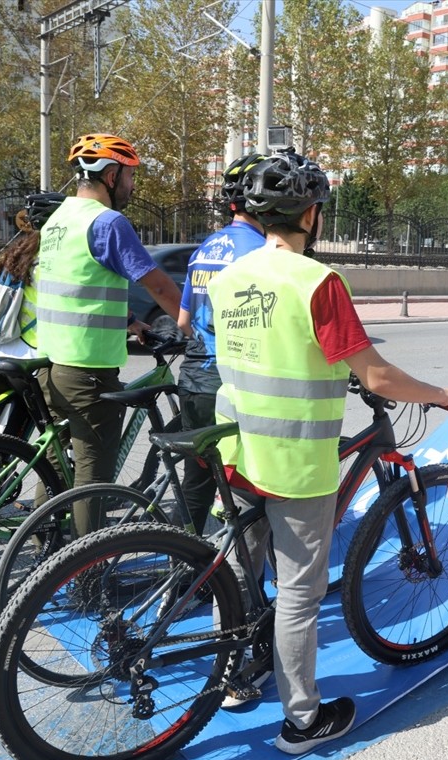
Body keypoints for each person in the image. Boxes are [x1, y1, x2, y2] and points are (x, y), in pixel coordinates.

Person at [207, 149, 448, 754]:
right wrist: (440, 393)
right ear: (312, 214)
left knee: (241, 571)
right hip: (294, 461)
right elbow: (375, 379)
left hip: (234, 448)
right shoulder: (319, 281)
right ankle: (302, 721)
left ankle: (235, 677)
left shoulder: (229, 278)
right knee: (299, 593)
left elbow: (262, 351)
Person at [34, 134, 181, 505]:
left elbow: (79, 284)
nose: (132, 186)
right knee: (92, 479)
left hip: (49, 363)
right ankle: (87, 561)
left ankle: (42, 545)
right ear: (111, 175)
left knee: (55, 468)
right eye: (130, 176)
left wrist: (129, 319)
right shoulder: (108, 222)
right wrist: (197, 327)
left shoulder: (58, 220)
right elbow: (160, 287)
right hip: (88, 371)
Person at [175, 152, 267, 535]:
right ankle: (238, 580)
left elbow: (183, 321)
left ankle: (181, 570)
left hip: (192, 378)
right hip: (228, 384)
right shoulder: (261, 253)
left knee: (196, 482)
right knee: (245, 484)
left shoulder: (206, 248)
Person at [0, 192, 65, 412]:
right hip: (27, 360)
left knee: (5, 441)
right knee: (51, 438)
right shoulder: (54, 262)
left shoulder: (16, 254)